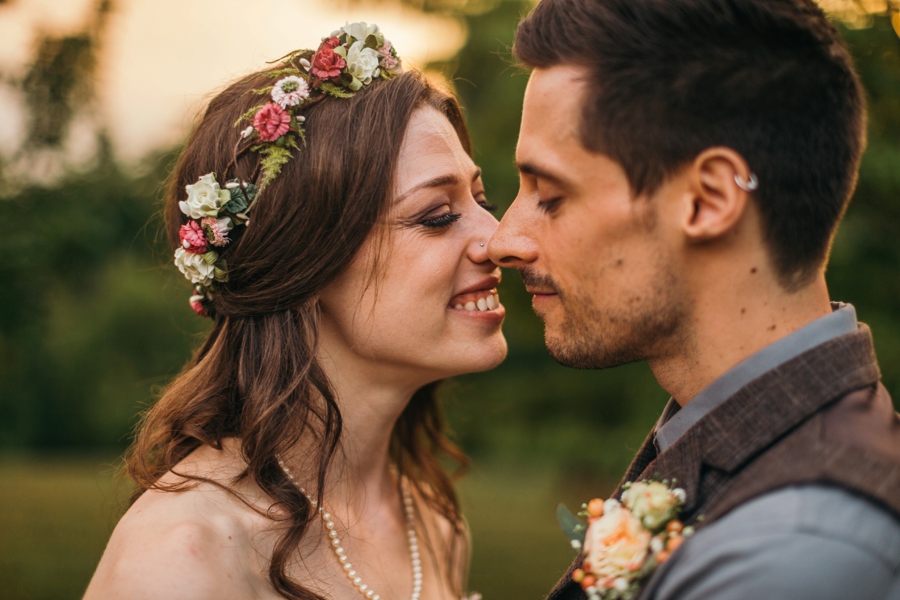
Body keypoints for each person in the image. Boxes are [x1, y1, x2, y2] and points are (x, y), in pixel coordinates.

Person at [490, 0, 900, 598]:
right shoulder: (736, 442)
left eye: (550, 195)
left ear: (708, 201)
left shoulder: (795, 554)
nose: (504, 241)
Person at [85, 23, 506, 600]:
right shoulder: (182, 558)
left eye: (481, 199)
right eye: (437, 216)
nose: (498, 237)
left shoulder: (434, 526)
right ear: (305, 263)